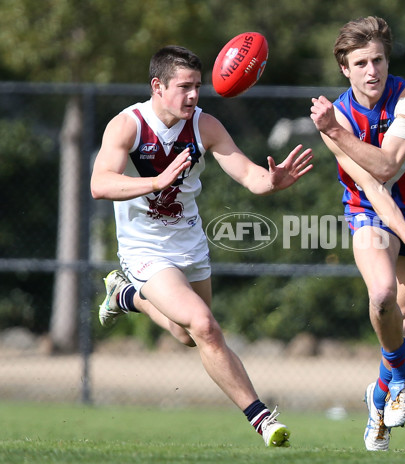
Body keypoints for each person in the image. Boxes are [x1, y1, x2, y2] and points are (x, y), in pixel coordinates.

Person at [90, 45, 313, 447]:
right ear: (158, 87)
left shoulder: (205, 125)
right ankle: (263, 420)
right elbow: (100, 183)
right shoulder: (128, 125)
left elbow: (248, 173)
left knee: (186, 334)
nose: (194, 96)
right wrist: (155, 183)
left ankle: (125, 295)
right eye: (185, 87)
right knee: (207, 327)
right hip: (144, 248)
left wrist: (270, 181)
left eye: (198, 87)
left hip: (189, 244)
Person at [310, 16, 405, 451]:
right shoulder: (337, 115)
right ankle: (402, 375)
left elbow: (388, 166)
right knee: (381, 296)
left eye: (378, 60)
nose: (372, 71)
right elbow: (371, 185)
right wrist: (400, 234)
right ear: (344, 69)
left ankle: (379, 396)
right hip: (369, 212)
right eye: (361, 63)